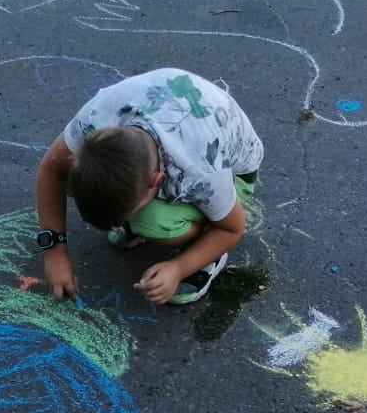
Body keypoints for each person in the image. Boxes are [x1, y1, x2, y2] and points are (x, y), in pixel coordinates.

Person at [34, 68, 264, 305]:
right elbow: (51, 169)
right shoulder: (97, 117)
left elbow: (232, 228)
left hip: (235, 171)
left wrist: (178, 268)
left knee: (152, 222)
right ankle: (137, 221)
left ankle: (206, 254)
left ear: (156, 182)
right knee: (77, 178)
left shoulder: (200, 169)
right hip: (177, 123)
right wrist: (54, 251)